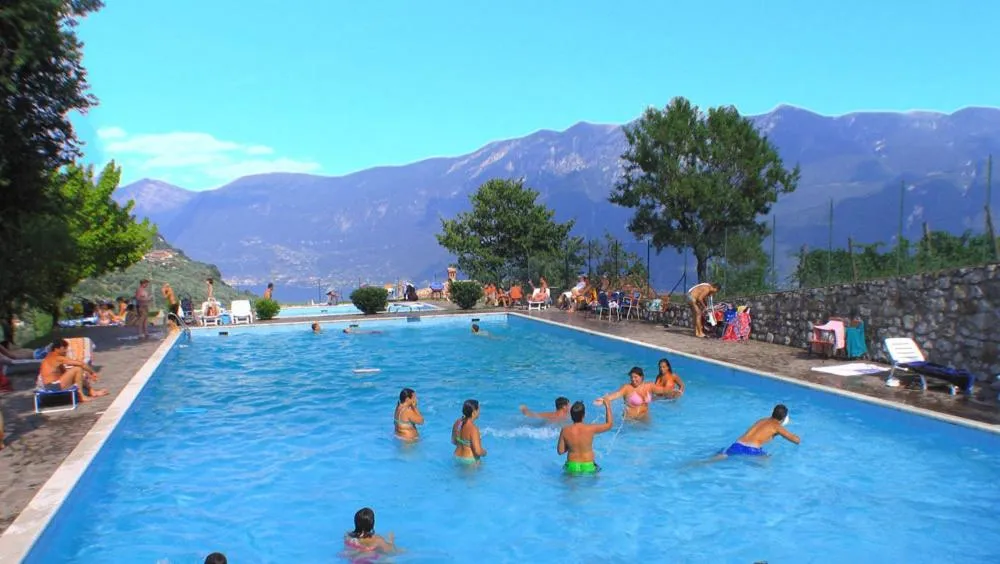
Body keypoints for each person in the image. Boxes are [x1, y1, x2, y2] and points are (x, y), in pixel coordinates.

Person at [716, 404, 800, 459]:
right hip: (751, 449)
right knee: (767, 459)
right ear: (783, 418)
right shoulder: (777, 426)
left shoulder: (761, 420)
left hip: (737, 445)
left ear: (772, 412)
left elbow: (764, 435)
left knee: (718, 458)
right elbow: (796, 440)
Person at [38, 339, 108, 403]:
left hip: (54, 384)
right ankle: (82, 396)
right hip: (53, 386)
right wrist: (92, 372)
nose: (66, 351)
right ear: (56, 349)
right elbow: (81, 364)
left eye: (66, 348)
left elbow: (65, 373)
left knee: (78, 372)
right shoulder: (56, 357)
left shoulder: (52, 358)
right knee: (78, 369)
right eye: (64, 349)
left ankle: (92, 391)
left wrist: (82, 376)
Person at [594, 366, 674, 420]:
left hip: (644, 418)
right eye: (631, 377)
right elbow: (616, 395)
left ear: (642, 377)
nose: (633, 379)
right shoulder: (627, 388)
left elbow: (663, 390)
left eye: (635, 377)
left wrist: (674, 392)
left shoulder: (649, 386)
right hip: (631, 420)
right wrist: (603, 399)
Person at [558, 399, 614, 475]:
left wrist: (571, 445)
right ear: (583, 415)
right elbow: (609, 425)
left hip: (572, 466)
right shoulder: (590, 428)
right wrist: (607, 405)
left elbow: (560, 451)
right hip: (588, 466)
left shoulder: (565, 430)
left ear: (571, 415)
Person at [452, 399, 486, 465]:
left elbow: (454, 441)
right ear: (473, 412)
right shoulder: (473, 429)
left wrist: (464, 443)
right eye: (478, 409)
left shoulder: (457, 422)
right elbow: (478, 451)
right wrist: (484, 452)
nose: (479, 412)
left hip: (456, 457)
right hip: (469, 461)